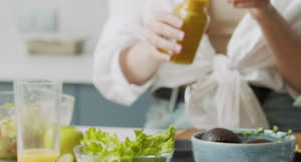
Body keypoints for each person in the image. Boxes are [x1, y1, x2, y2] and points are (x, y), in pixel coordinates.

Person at [93, 0, 301, 131]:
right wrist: (152, 46)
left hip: (276, 120)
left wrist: (266, 14)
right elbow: (113, 75)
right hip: (177, 119)